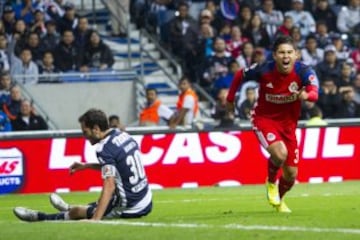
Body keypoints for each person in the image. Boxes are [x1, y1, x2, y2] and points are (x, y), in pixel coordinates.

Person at [226, 35, 319, 213]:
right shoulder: (264, 70)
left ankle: (280, 199)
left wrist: (307, 95)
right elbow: (240, 74)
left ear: (296, 55)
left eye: (289, 52)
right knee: (280, 153)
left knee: (291, 175)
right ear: (274, 55)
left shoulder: (304, 72)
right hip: (264, 119)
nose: (286, 56)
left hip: (289, 126)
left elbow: (315, 90)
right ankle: (270, 183)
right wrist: (230, 99)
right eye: (282, 52)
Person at [13, 108, 153, 222]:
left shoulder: (104, 148)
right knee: (101, 202)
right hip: (145, 197)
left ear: (96, 128)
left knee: (77, 212)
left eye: (85, 132)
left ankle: (40, 217)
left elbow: (110, 185)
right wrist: (87, 166)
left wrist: (95, 219)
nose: (84, 136)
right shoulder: (122, 135)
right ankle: (67, 207)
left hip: (131, 206)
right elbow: (120, 168)